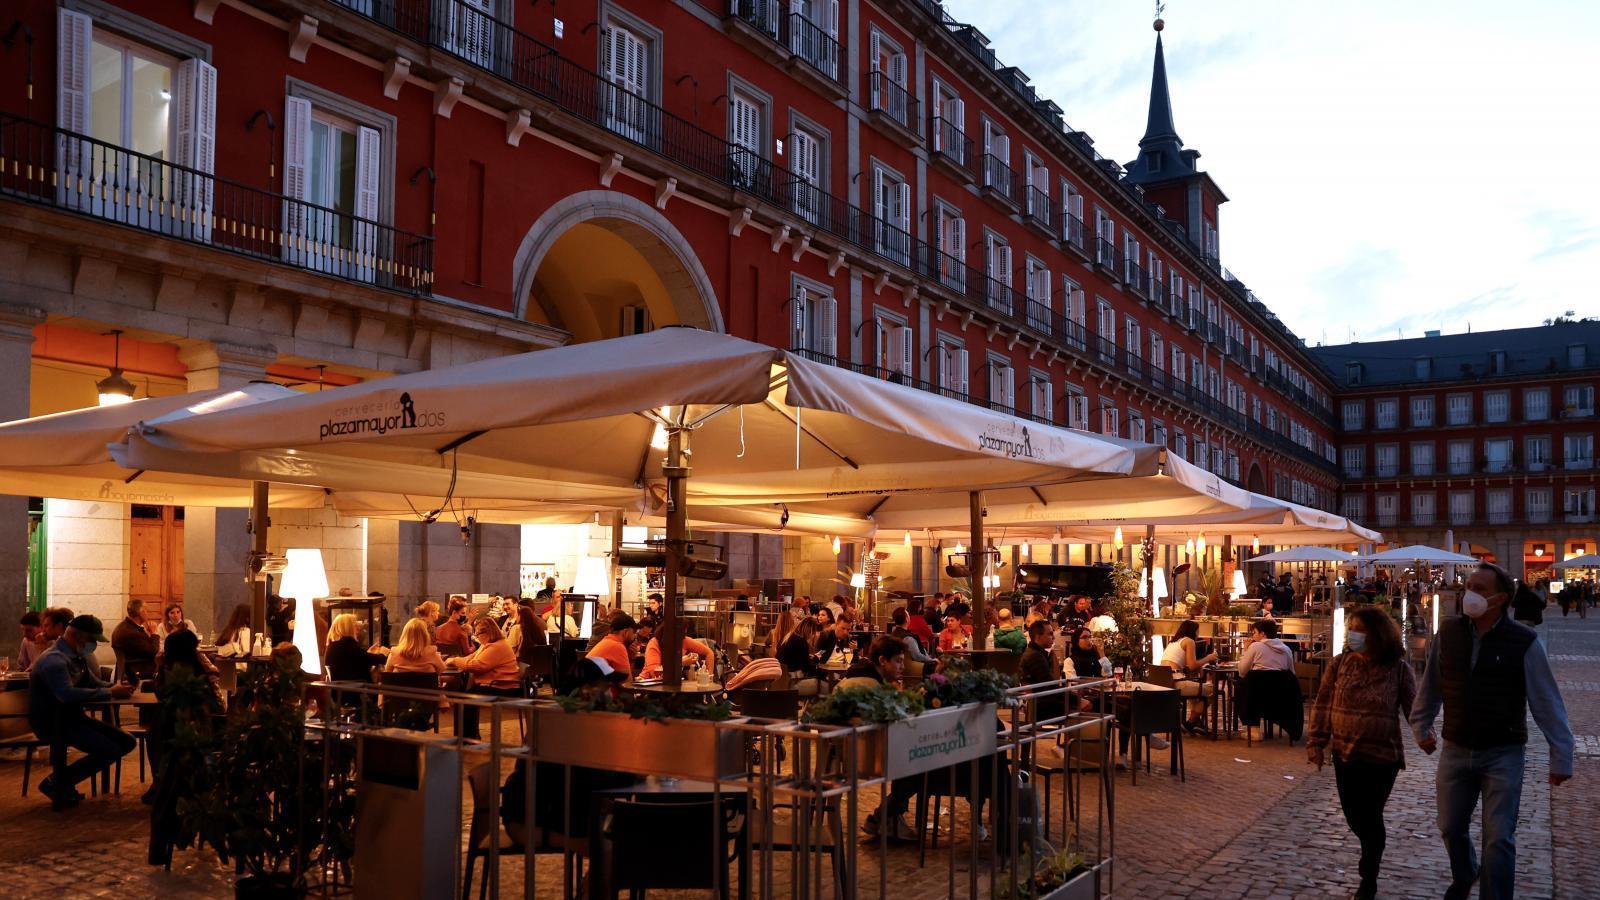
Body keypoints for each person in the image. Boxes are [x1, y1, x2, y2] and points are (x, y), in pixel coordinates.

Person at [1410, 563, 1574, 900]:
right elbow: (1432, 685)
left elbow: (1546, 701)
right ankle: (1466, 871)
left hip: (1504, 752)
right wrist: (1421, 725)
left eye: (1479, 588)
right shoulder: (1449, 632)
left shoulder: (1524, 641)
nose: (1469, 593)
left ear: (1500, 599)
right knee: (1450, 827)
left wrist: (1562, 756)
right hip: (1455, 747)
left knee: (1498, 837)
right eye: (1468, 585)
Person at [1306, 605, 1417, 900]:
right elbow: (1323, 703)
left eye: (1359, 629)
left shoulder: (1398, 669)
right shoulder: (1339, 664)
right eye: (1351, 628)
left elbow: (1414, 709)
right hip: (1345, 753)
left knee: (1371, 815)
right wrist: (1316, 742)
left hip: (1382, 756)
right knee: (1354, 815)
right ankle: (1371, 853)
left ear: (1377, 634)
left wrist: (1425, 734)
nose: (1353, 634)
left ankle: (1369, 875)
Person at [29, 614, 135, 809]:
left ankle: (60, 781)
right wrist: (109, 692)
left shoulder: (78, 657)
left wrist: (116, 688)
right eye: (92, 639)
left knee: (126, 741)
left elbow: (93, 683)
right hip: (53, 723)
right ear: (77, 636)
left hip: (74, 719)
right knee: (109, 749)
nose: (93, 644)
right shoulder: (54, 660)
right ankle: (58, 782)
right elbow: (66, 694)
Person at [447, 617, 523, 738]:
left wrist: (455, 661)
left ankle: (468, 737)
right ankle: (468, 735)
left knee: (466, 698)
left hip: (502, 686)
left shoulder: (497, 647)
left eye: (478, 634)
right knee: (464, 695)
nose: (477, 637)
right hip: (494, 682)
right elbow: (471, 658)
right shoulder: (487, 645)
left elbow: (478, 666)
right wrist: (453, 660)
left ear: (488, 633)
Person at [1161, 619, 1217, 734]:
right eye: (1197, 631)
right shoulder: (1189, 641)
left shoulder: (1173, 642)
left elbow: (1188, 665)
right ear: (1193, 631)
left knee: (1196, 691)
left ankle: (1195, 722)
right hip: (1175, 682)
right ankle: (1191, 722)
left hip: (1164, 681)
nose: (1198, 634)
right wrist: (1209, 657)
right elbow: (1192, 665)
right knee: (1213, 690)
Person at [324, 613, 389, 682]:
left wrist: (368, 653)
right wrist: (383, 653)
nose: (359, 628)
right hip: (358, 690)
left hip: (339, 690)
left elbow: (358, 659)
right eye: (355, 626)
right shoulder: (347, 644)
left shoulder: (332, 646)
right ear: (348, 628)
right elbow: (375, 659)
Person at [111, 598, 160, 680]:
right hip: (137, 672)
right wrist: (154, 633)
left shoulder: (127, 626)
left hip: (134, 667)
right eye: (146, 611)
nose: (148, 613)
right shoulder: (131, 632)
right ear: (141, 612)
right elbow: (153, 651)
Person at [836, 635, 907, 690]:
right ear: (882, 660)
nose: (902, 667)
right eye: (898, 661)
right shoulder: (872, 688)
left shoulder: (859, 672)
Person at [641, 629, 713, 679]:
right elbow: (655, 675)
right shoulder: (655, 643)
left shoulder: (683, 640)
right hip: (649, 685)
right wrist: (680, 662)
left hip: (674, 686)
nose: (683, 636)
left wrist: (708, 677)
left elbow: (709, 652)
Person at [777, 619, 823, 695]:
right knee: (826, 686)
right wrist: (819, 670)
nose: (814, 635)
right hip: (792, 683)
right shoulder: (801, 641)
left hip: (781, 681)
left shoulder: (787, 637)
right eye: (814, 632)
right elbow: (806, 667)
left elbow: (793, 658)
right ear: (810, 630)